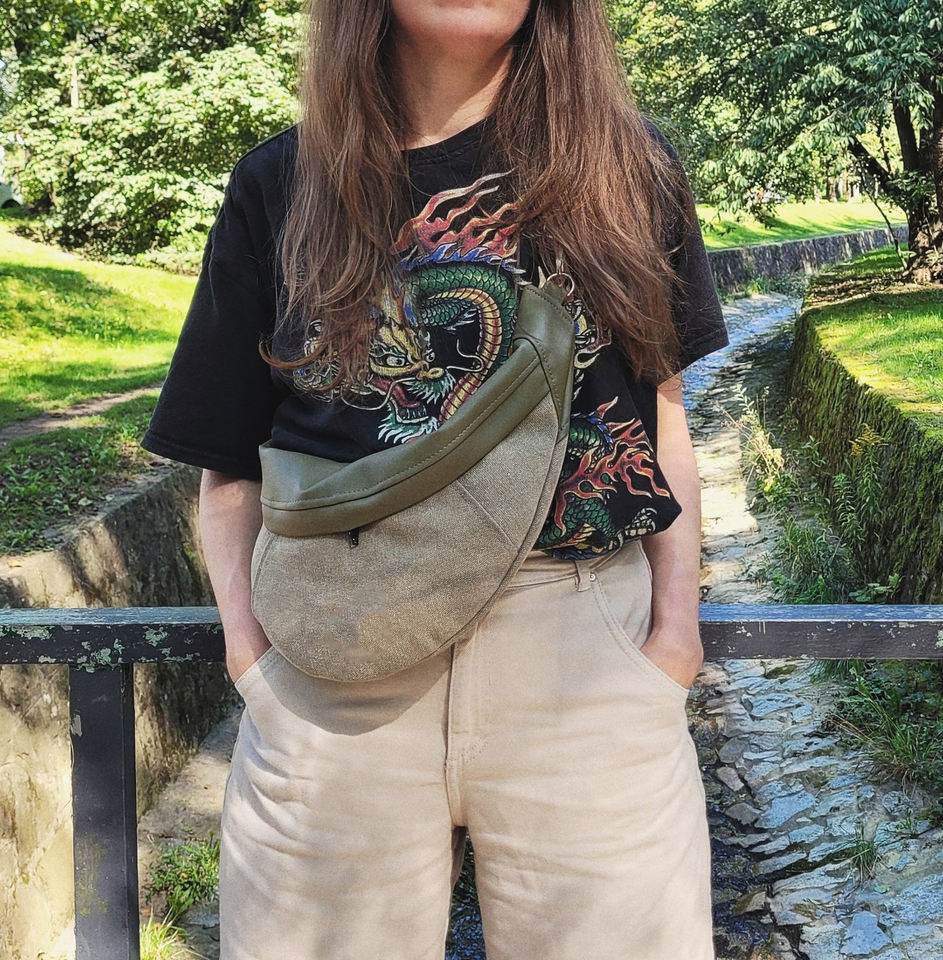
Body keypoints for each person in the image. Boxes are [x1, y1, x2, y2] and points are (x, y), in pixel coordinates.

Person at [142, 1, 730, 957]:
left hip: (580, 655)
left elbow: (662, 413)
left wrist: (672, 640)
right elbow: (228, 462)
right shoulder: (282, 180)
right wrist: (257, 665)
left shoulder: (631, 165)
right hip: (336, 660)